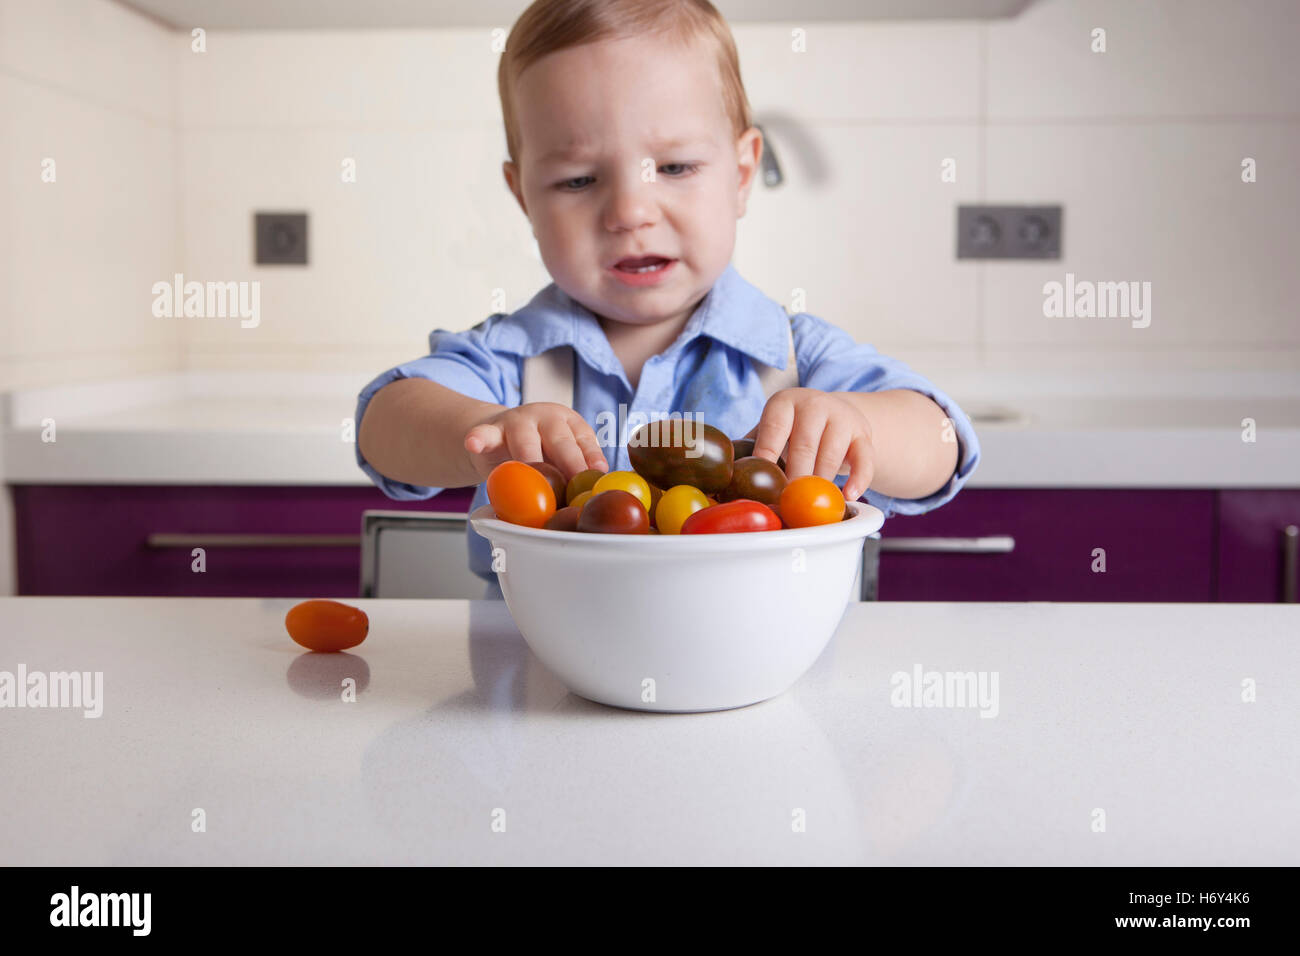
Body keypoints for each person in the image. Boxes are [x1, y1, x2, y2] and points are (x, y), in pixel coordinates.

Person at [355, 0, 980, 597]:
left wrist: (862, 423)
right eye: (577, 180)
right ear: (524, 198)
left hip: (765, 675)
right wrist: (478, 432)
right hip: (539, 679)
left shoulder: (795, 354)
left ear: (740, 176)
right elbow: (383, 423)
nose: (630, 212)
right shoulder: (508, 358)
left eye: (675, 168)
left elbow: (943, 443)